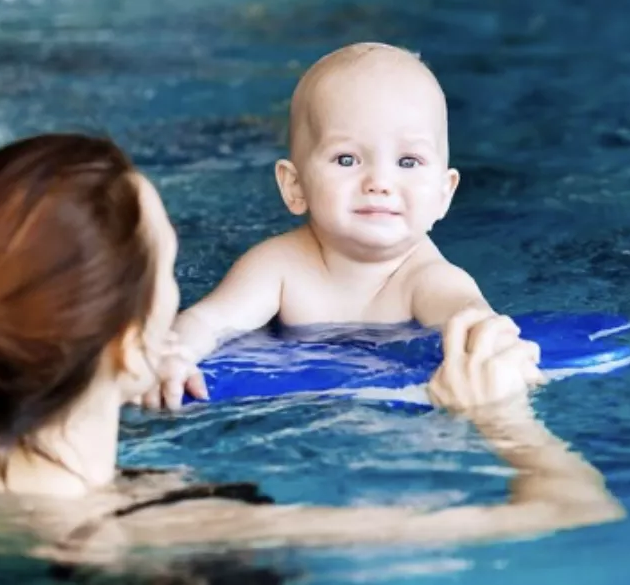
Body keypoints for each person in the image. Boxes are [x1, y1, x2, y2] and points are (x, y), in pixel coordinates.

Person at [0, 133, 622, 575]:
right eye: (169, 275)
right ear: (128, 345)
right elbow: (571, 508)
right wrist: (503, 418)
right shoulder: (182, 530)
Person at [144, 42, 533, 410]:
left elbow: (472, 321)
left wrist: (494, 354)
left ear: (444, 194)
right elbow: (208, 321)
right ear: (295, 186)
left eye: (408, 162)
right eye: (347, 159)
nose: (379, 182)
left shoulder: (427, 278)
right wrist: (174, 355)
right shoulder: (279, 267)